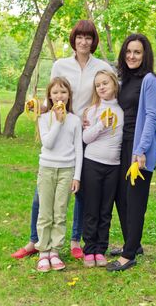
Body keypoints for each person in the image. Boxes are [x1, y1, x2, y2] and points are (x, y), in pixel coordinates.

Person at [11, 20, 113, 260]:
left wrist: (93, 116)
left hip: (86, 133)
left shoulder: (102, 66)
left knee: (79, 189)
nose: (83, 42)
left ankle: (76, 239)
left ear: (93, 41)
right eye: (79, 37)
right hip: (59, 129)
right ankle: (35, 241)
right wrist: (39, 107)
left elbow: (106, 93)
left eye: (88, 37)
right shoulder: (60, 64)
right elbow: (52, 95)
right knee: (42, 193)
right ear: (74, 39)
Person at [106, 33, 156, 272]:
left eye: (137, 52)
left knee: (136, 200)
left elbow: (152, 117)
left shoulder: (151, 81)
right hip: (121, 144)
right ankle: (133, 243)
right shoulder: (124, 79)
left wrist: (141, 150)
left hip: (138, 150)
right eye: (128, 51)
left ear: (145, 54)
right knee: (122, 196)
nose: (132, 56)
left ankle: (129, 255)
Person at [35, 77, 83, 272]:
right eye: (55, 92)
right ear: (50, 95)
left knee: (60, 212)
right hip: (46, 169)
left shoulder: (75, 120)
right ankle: (43, 252)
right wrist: (58, 121)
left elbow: (79, 149)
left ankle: (55, 250)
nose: (59, 96)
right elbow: (48, 143)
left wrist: (76, 176)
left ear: (69, 95)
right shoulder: (43, 118)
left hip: (66, 170)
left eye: (63, 92)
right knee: (45, 213)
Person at [82, 71, 124, 268]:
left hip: (113, 166)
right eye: (98, 85)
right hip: (93, 162)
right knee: (92, 208)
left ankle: (101, 249)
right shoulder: (94, 110)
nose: (101, 87)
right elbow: (86, 138)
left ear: (114, 84)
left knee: (106, 210)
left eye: (105, 83)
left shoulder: (122, 110)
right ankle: (89, 249)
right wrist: (100, 125)